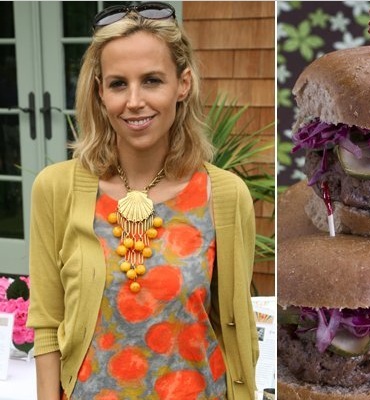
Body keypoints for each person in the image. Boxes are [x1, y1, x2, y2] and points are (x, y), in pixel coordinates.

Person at [27, 3, 259, 399]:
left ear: (182, 84)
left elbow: (234, 324)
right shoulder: (56, 189)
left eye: (152, 80)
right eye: (118, 84)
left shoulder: (224, 195)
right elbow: (48, 323)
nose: (134, 101)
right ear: (100, 91)